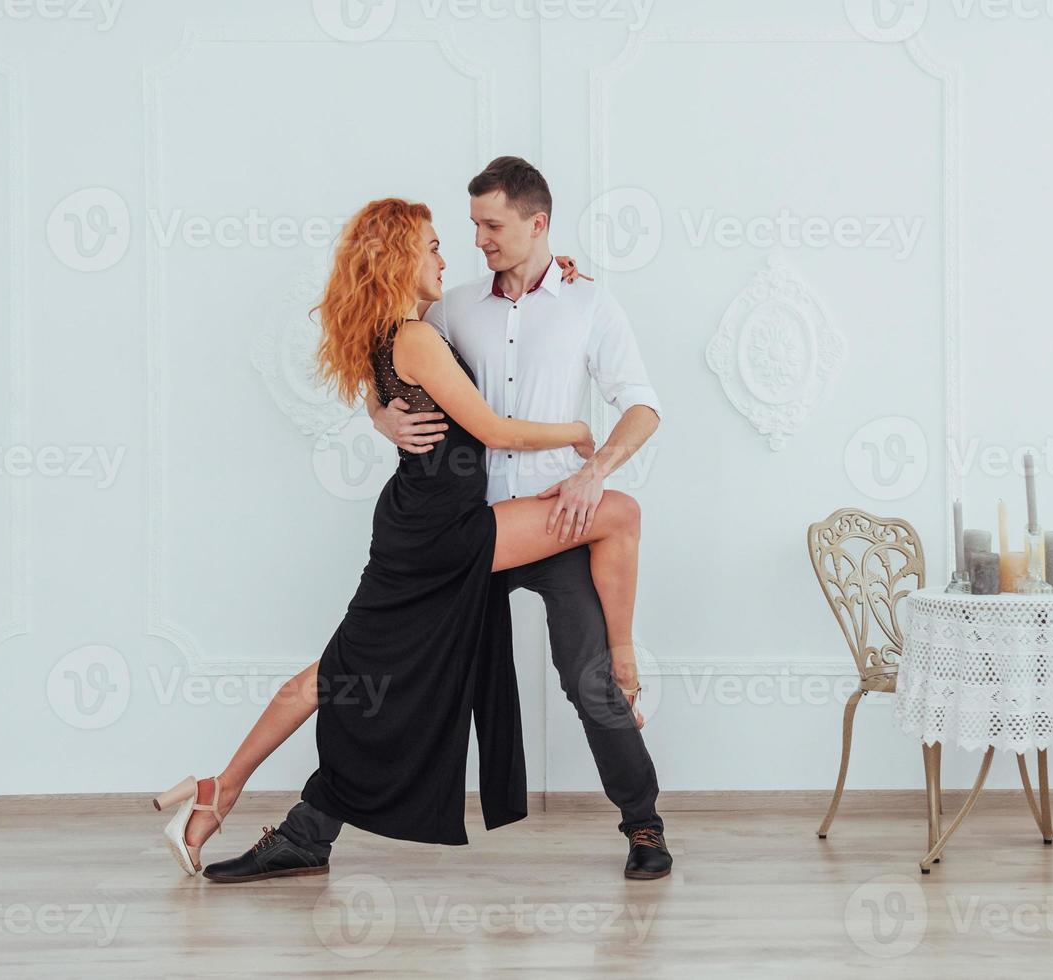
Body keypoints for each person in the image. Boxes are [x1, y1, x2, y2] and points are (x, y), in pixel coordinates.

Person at [151, 195, 668, 883]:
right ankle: (302, 829)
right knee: (386, 680)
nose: (466, 243)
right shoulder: (448, 310)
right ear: (400, 259)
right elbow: (444, 399)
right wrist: (387, 419)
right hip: (466, 526)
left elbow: (639, 401)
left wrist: (585, 466)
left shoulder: (584, 301)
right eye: (445, 238)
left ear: (536, 226)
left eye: (490, 226)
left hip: (539, 520)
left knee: (574, 680)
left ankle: (643, 825)